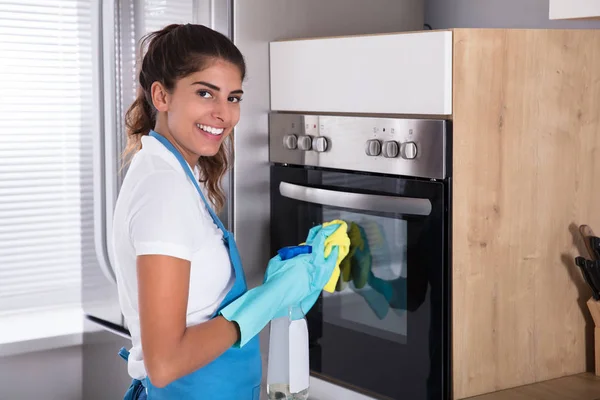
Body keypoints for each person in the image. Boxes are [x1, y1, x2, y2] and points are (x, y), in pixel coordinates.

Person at [110, 24, 340, 400]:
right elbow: (165, 364)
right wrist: (268, 299)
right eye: (205, 93)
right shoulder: (164, 191)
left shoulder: (174, 174)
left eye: (233, 98)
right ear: (161, 95)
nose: (223, 114)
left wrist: (286, 284)